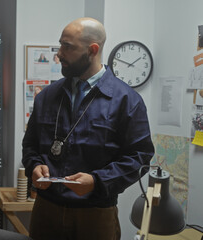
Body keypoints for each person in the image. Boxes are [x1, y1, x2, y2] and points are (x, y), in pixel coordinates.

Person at [22, 17, 154, 240]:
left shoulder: (127, 101)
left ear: (93, 50)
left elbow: (139, 158)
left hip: (96, 216)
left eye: (67, 46)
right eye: (60, 44)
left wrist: (97, 181)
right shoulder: (46, 96)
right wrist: (34, 166)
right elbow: (30, 145)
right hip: (46, 211)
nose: (59, 54)